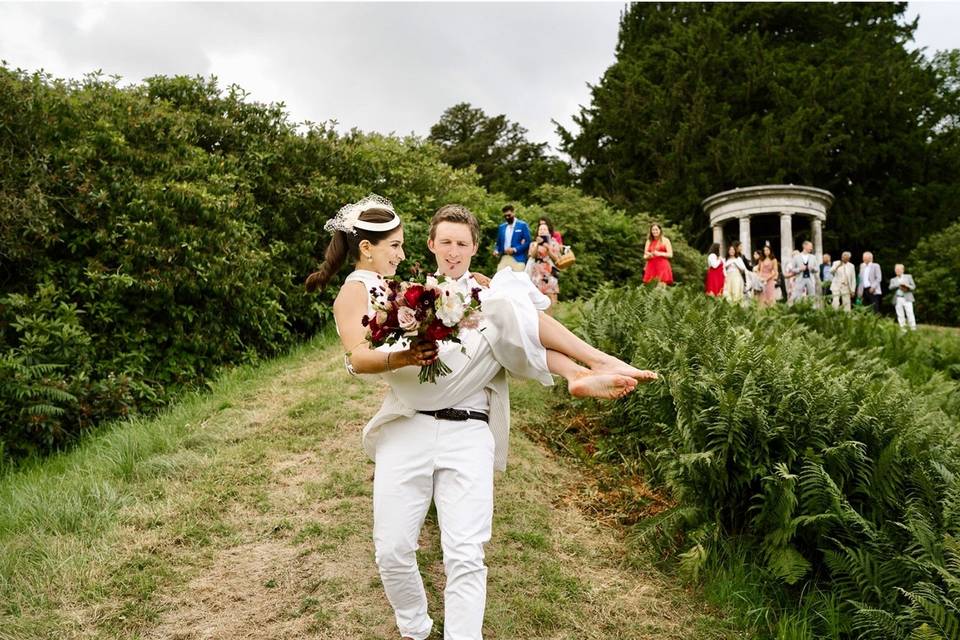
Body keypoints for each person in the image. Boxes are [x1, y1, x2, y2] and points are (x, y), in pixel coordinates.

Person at [307, 196, 656, 640]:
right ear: (369, 248)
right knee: (392, 550)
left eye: (462, 243)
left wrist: (472, 293)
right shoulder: (372, 290)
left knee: (466, 554)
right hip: (409, 419)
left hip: (468, 425)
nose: (401, 252)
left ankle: (588, 367)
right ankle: (415, 627)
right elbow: (358, 357)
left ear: (474, 246)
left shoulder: (442, 288)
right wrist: (408, 352)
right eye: (396, 245)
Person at [528, 220, 562, 314]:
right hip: (537, 273)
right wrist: (538, 244)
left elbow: (557, 259)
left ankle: (552, 316)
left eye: (544, 229)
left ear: (548, 231)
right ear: (538, 232)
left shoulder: (554, 243)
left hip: (550, 272)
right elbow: (532, 255)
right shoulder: (533, 244)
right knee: (536, 296)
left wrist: (548, 248)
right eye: (540, 229)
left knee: (551, 295)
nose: (542, 231)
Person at [493, 204, 530, 273]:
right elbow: (498, 243)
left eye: (509, 215)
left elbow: (527, 242)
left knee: (518, 280)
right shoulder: (502, 227)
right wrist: (496, 250)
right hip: (504, 257)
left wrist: (515, 249)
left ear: (513, 213)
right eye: (505, 216)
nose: (507, 217)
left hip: (518, 258)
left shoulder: (522, 225)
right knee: (499, 278)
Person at [790, 241, 819, 307]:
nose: (811, 248)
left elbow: (817, 269)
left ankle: (813, 310)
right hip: (800, 279)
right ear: (804, 246)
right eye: (810, 246)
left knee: (812, 295)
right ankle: (798, 309)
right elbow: (792, 269)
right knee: (797, 295)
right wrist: (799, 269)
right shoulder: (796, 257)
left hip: (810, 279)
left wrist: (812, 268)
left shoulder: (813, 257)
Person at [888, 263, 917, 331]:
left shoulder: (908, 276)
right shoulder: (893, 279)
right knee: (900, 314)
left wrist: (907, 286)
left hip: (907, 298)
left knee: (910, 313)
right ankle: (903, 329)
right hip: (898, 298)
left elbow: (913, 287)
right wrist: (898, 284)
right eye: (896, 270)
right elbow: (890, 287)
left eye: (898, 270)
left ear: (902, 270)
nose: (897, 271)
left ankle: (913, 329)